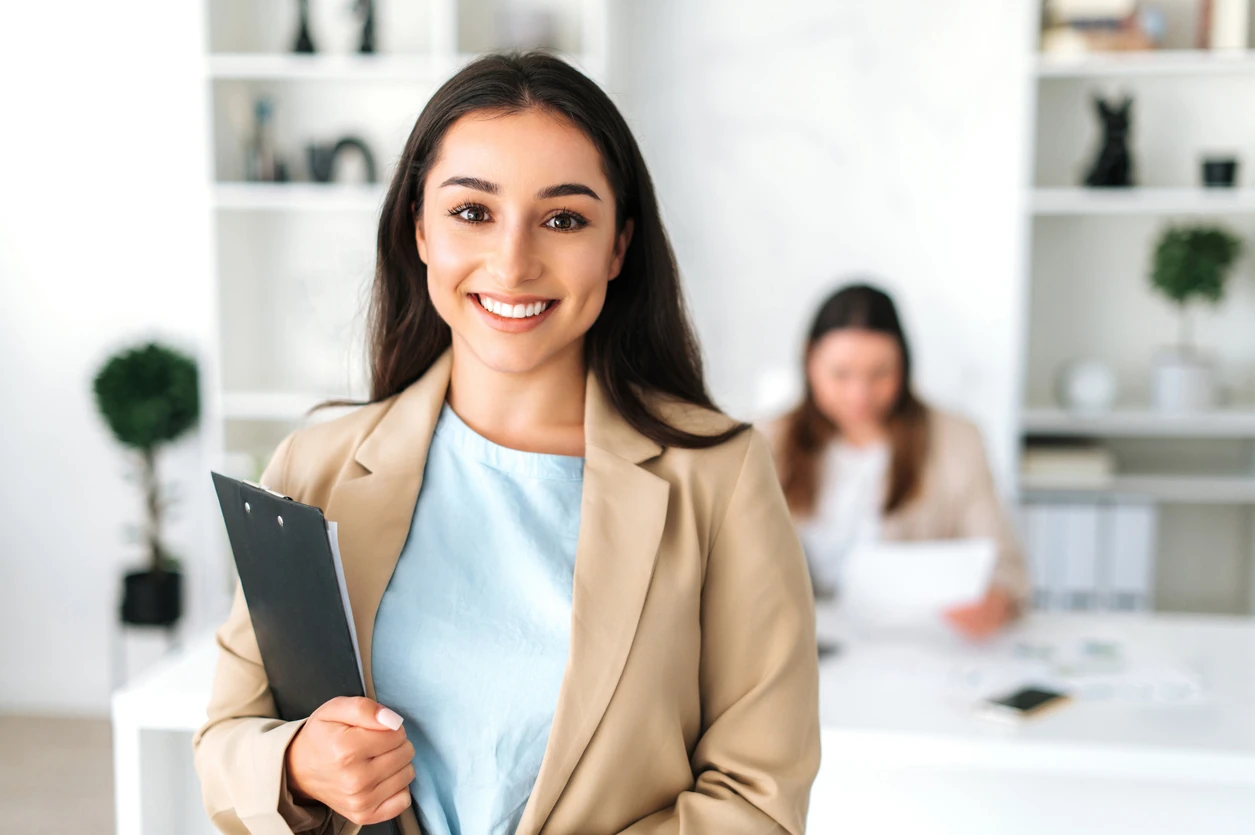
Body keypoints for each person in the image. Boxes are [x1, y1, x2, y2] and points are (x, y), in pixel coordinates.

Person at [193, 53, 820, 835]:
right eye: (471, 212)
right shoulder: (315, 465)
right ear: (418, 228)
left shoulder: (718, 476)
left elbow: (757, 798)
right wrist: (295, 765)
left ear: (618, 246)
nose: (514, 262)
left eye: (563, 219)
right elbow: (225, 741)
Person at [767, 283, 1029, 640]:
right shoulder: (766, 442)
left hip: (915, 645)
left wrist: (996, 601)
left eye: (880, 373)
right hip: (798, 645)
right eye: (841, 374)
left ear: (903, 365)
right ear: (809, 361)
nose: (860, 394)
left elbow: (1006, 566)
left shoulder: (957, 440)